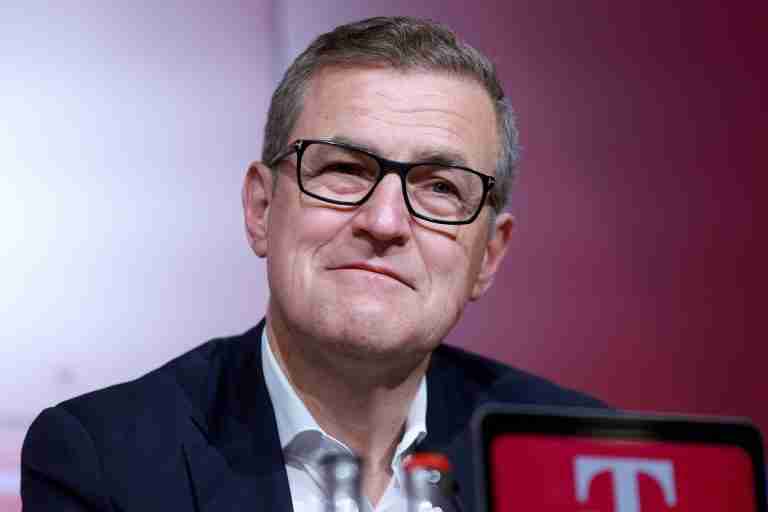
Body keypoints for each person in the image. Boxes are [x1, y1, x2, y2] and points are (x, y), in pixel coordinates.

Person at [21, 16, 604, 512]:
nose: (384, 222)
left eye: (440, 188)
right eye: (344, 170)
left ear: (489, 255)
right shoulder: (106, 463)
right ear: (261, 208)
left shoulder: (583, 463)